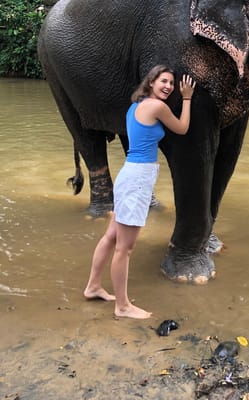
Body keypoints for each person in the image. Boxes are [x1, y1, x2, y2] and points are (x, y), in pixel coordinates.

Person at [83, 65, 196, 319]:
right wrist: (187, 98)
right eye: (164, 81)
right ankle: (122, 306)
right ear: (152, 81)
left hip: (131, 175)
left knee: (111, 237)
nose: (168, 86)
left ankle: (93, 286)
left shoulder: (136, 106)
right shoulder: (157, 107)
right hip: (137, 180)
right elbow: (182, 128)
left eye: (171, 83)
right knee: (125, 248)